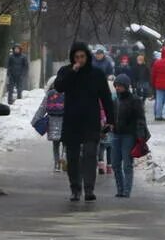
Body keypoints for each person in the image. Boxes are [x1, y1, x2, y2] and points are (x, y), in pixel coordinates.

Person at [55, 41, 115, 201]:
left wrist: (111, 119)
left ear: (87, 56)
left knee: (90, 154)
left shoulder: (96, 74)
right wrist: (72, 72)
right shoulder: (66, 71)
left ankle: (89, 189)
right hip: (72, 121)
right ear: (72, 58)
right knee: (73, 157)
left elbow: (106, 97)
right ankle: (75, 189)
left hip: (90, 120)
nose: (80, 60)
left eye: (82, 56)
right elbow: (59, 87)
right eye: (76, 57)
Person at [111, 74, 149, 198]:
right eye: (116, 86)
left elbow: (140, 119)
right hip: (116, 134)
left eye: (120, 86)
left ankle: (126, 190)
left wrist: (140, 136)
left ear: (126, 87)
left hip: (128, 135)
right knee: (115, 164)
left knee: (127, 164)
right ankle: (120, 189)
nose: (117, 88)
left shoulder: (135, 100)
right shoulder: (115, 100)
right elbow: (112, 116)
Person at [32, 81, 66, 170]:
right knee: (66, 143)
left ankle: (57, 164)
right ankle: (65, 160)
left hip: (52, 121)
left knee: (55, 144)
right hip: (65, 121)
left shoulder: (50, 94)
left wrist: (35, 120)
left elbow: (42, 108)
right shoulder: (68, 93)